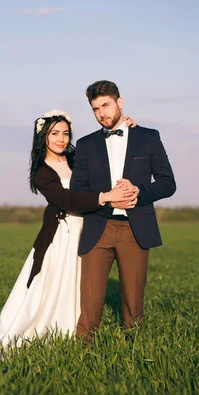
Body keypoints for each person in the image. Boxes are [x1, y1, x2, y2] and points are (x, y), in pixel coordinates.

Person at [0, 109, 138, 350]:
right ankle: (52, 329)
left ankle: (80, 330)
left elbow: (105, 152)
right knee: (53, 283)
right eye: (54, 133)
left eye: (65, 133)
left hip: (89, 228)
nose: (61, 139)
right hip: (61, 234)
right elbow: (68, 200)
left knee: (84, 283)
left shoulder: (76, 158)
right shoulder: (42, 171)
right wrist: (106, 197)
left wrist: (124, 128)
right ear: (43, 136)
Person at [70, 80, 176, 342]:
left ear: (120, 102)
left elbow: (167, 183)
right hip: (98, 228)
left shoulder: (148, 137)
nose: (101, 113)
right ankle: (81, 356)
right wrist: (107, 199)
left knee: (133, 300)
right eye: (95, 109)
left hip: (135, 229)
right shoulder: (85, 145)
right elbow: (77, 191)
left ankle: (136, 353)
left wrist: (138, 192)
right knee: (91, 301)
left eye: (105, 105)